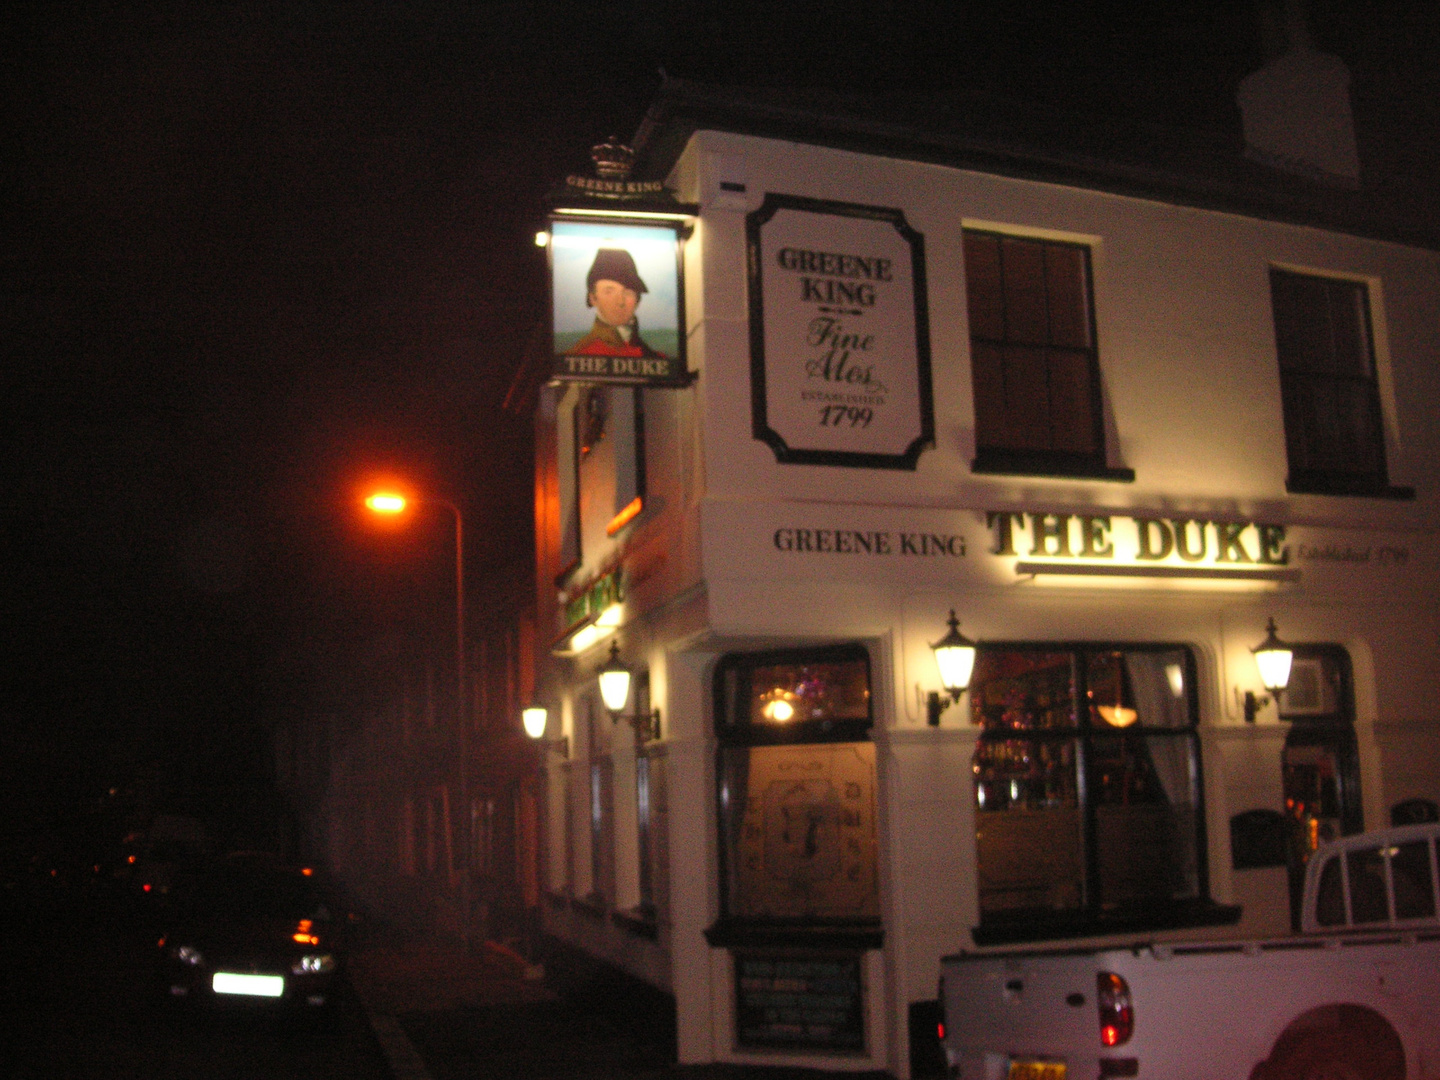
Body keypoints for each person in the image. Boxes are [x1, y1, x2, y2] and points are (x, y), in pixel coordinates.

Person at [565, 248, 665, 357]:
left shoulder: (657, 358)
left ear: (637, 300)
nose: (620, 302)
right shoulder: (578, 355)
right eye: (609, 292)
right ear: (593, 298)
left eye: (628, 293)